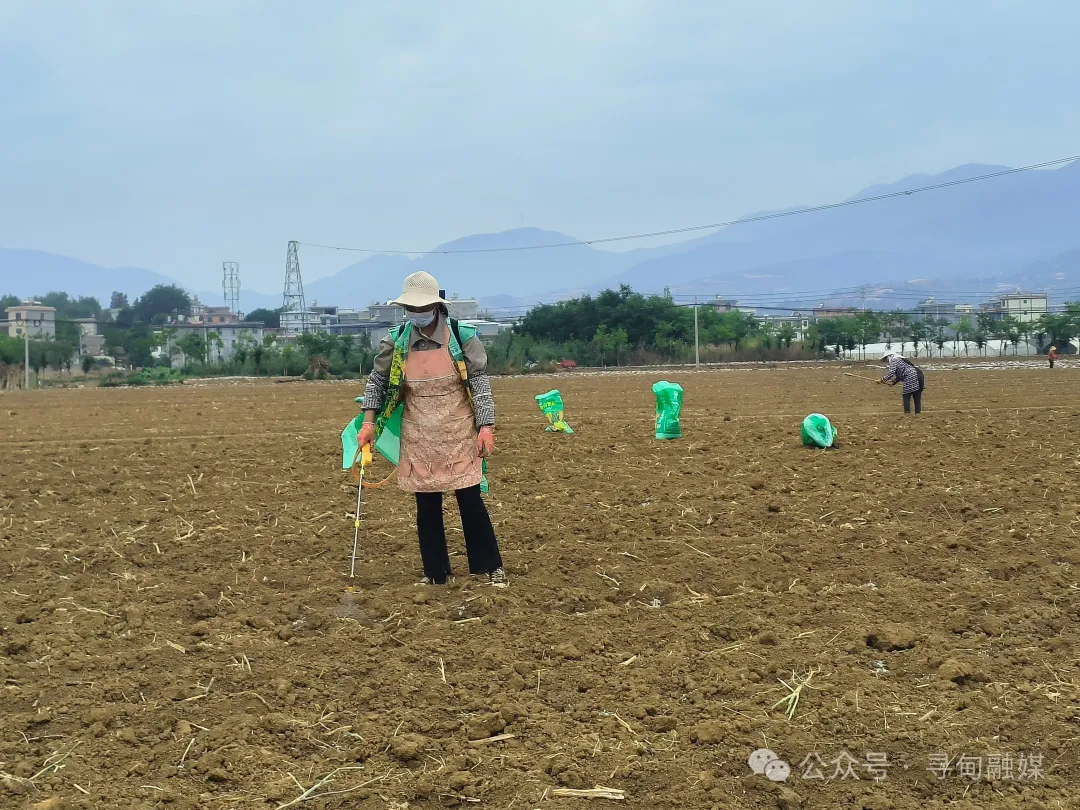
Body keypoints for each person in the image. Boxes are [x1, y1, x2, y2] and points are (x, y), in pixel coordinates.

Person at [357, 271, 507, 588]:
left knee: (469, 499)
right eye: (410, 308)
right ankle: (436, 573)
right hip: (418, 431)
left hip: (458, 428)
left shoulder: (462, 336)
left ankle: (489, 567)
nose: (416, 313)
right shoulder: (396, 341)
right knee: (426, 505)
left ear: (436, 306)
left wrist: (486, 426)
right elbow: (378, 382)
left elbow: (480, 383)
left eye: (421, 307)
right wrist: (368, 423)